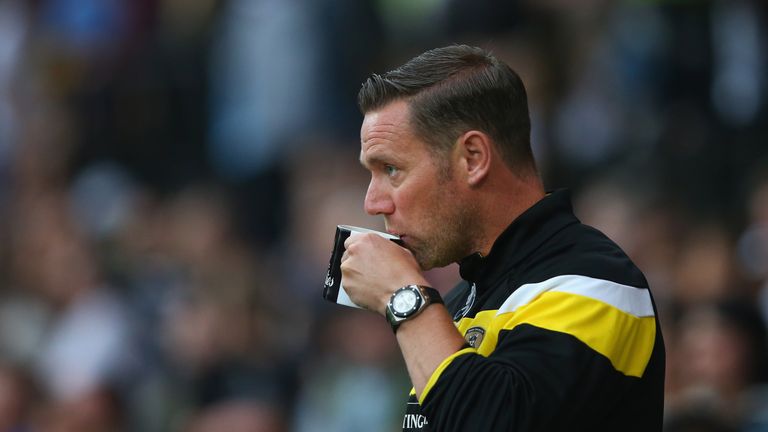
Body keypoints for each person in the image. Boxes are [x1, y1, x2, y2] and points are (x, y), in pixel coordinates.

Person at [339, 44, 665, 431]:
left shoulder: (591, 284)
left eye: (391, 169)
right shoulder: (460, 301)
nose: (373, 203)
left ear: (473, 157)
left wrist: (403, 295)